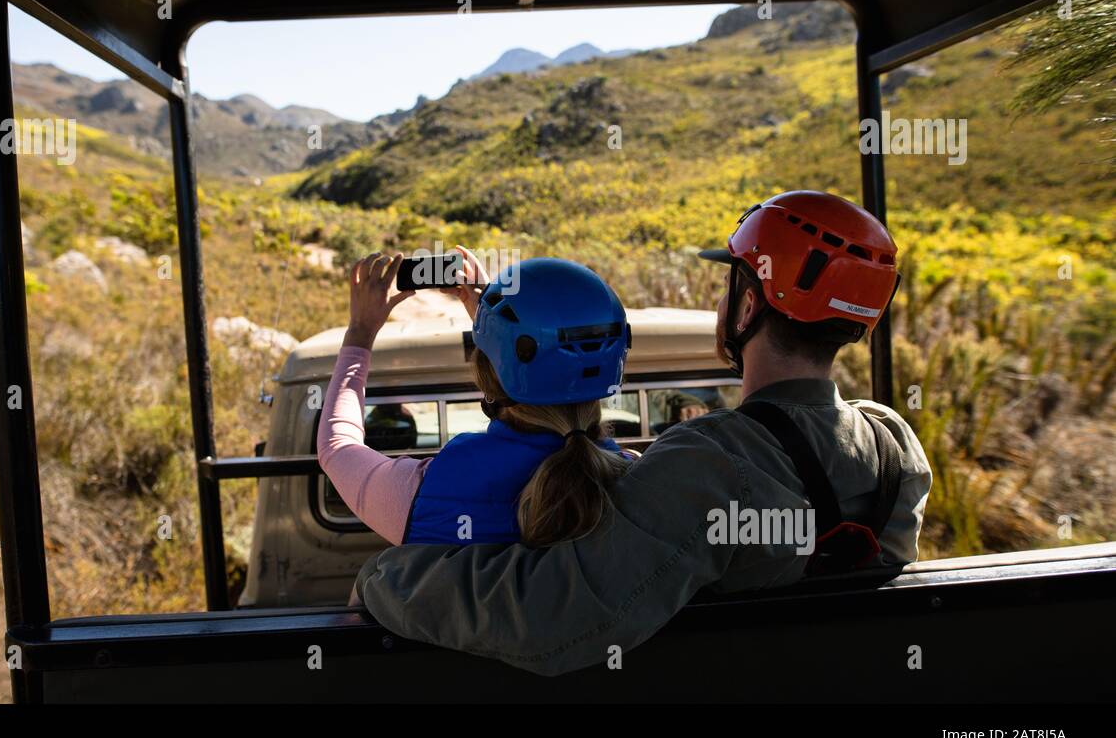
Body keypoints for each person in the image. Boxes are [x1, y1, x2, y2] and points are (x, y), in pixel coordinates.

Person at [354, 191, 934, 676]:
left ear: (749, 304)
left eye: (730, 282)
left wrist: (390, 575)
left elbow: (551, 614)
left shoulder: (707, 466)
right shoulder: (893, 446)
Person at [317, 249, 634, 547]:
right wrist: (492, 321)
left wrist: (360, 332)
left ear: (488, 373)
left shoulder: (429, 492)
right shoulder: (636, 480)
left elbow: (337, 448)